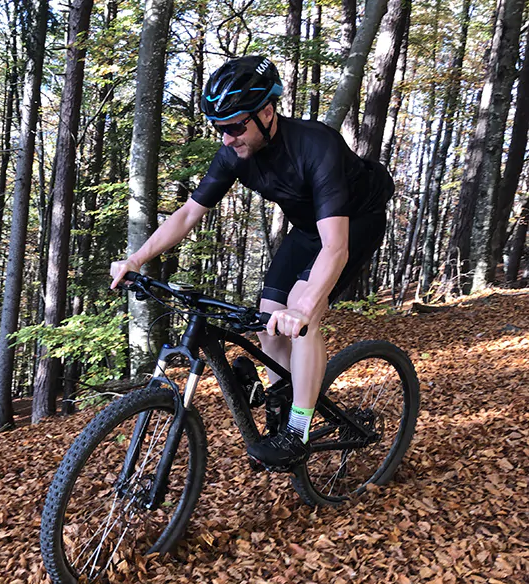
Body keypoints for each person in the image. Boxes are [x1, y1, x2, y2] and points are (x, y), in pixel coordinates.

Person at [109, 55, 394, 468]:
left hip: (355, 222)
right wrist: (136, 260)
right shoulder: (233, 154)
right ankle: (282, 406)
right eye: (218, 128)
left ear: (266, 111)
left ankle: (299, 428)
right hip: (307, 227)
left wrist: (305, 307)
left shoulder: (316, 145)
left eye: (235, 126)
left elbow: (335, 246)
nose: (226, 138)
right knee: (267, 321)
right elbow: (188, 214)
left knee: (301, 313)